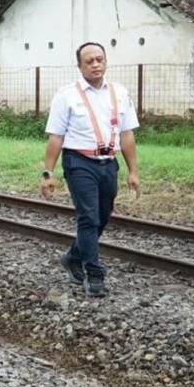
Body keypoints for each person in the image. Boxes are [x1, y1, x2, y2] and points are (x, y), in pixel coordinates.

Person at [41, 42, 141, 298]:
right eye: (89, 61)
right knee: (88, 217)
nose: (96, 65)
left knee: (103, 215)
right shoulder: (66, 95)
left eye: (100, 59)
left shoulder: (119, 93)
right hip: (79, 162)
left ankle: (73, 256)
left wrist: (133, 172)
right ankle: (94, 274)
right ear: (80, 66)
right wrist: (48, 174)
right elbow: (55, 137)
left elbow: (127, 133)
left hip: (108, 162)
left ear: (106, 61)